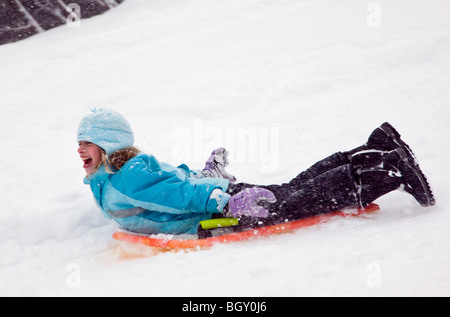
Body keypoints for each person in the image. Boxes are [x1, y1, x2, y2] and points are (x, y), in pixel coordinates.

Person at [77, 108, 435, 236]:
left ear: (108, 145)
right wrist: (209, 178)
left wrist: (220, 199)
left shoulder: (125, 176)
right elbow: (176, 180)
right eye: (79, 142)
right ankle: (372, 149)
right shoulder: (122, 171)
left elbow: (176, 194)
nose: (80, 149)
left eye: (88, 142)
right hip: (218, 200)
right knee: (291, 189)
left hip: (214, 214)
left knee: (294, 205)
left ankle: (388, 170)